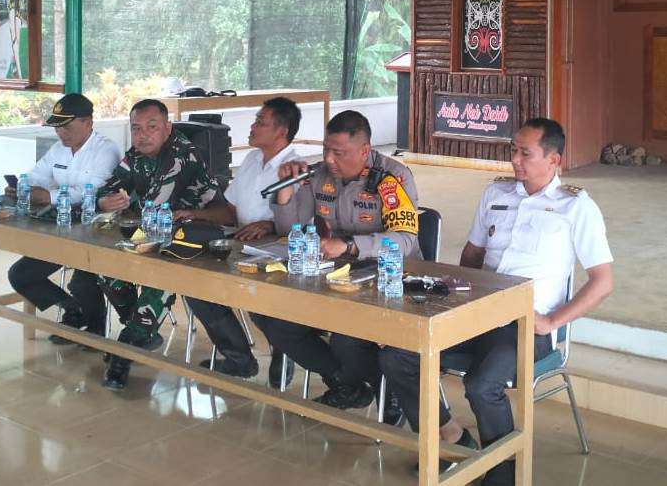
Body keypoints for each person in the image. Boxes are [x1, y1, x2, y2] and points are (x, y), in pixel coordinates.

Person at [378, 118, 614, 486]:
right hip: (477, 315)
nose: (514, 160)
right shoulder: (496, 193)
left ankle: (503, 474)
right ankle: (452, 436)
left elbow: (603, 281)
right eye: (513, 150)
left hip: (526, 326)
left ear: (554, 160)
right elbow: (472, 255)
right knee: (397, 356)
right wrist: (457, 301)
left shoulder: (575, 207)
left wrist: (552, 322)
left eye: (525, 153)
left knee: (481, 385)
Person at [253, 110, 418, 426]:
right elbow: (291, 231)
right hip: (332, 276)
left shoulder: (392, 178)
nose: (329, 159)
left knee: (346, 337)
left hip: (384, 277)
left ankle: (388, 389)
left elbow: (406, 240)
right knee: (272, 316)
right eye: (326, 149)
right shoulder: (319, 174)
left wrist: (351, 245)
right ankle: (347, 383)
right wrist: (286, 193)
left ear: (365, 150)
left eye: (339, 153)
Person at [176, 97, 304, 386]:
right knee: (195, 284)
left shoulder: (295, 168)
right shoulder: (251, 160)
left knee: (260, 301)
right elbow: (231, 211)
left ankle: (284, 348)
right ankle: (239, 359)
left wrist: (270, 225)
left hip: (276, 253)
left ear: (281, 131)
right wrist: (195, 213)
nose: (252, 126)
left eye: (260, 122)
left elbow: (303, 223)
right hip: (238, 243)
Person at [95, 99, 222, 391]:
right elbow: (109, 187)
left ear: (167, 128)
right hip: (155, 232)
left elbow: (155, 204)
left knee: (158, 278)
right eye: (136, 128)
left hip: (194, 236)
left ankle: (123, 354)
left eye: (152, 127)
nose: (143, 135)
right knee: (107, 269)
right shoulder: (136, 154)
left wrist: (125, 204)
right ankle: (140, 331)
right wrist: (104, 201)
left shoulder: (181, 155)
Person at [5, 93, 121, 344]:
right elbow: (36, 175)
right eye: (57, 127)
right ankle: (73, 309)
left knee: (83, 280)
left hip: (97, 230)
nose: (61, 133)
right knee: (21, 275)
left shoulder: (106, 150)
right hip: (62, 228)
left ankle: (95, 330)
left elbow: (92, 192)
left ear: (88, 123)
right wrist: (21, 186)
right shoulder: (58, 149)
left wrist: (49, 196)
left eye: (67, 127)